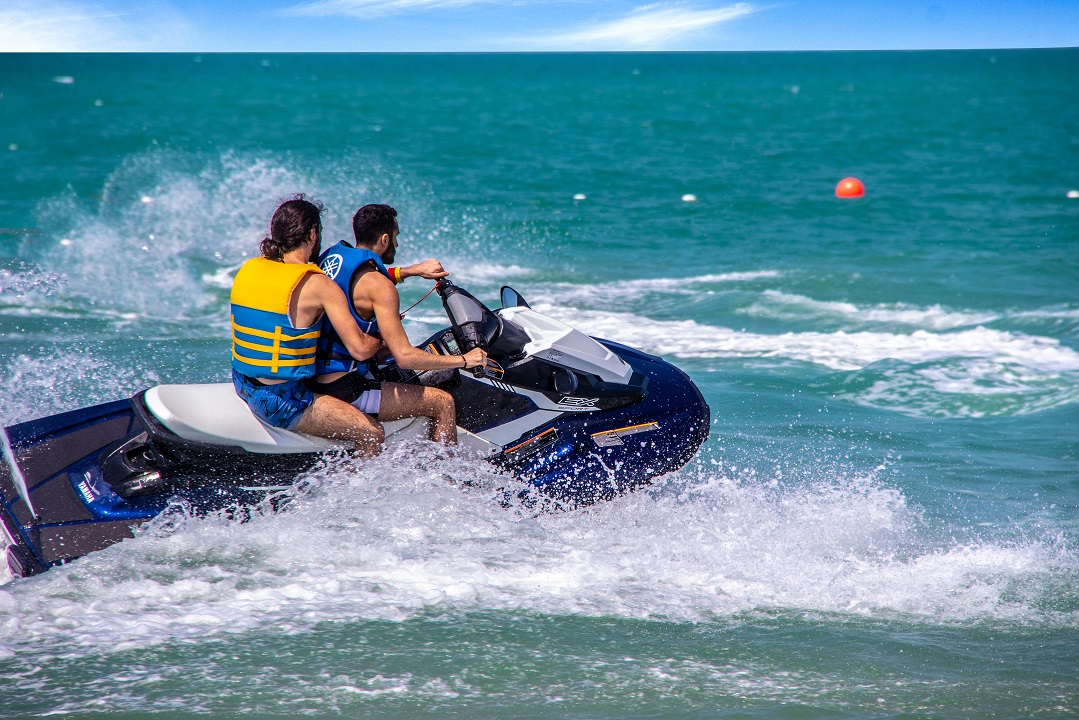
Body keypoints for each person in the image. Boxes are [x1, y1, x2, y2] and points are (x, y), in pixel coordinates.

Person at [309, 203, 486, 444]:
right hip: (344, 388)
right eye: (396, 237)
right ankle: (444, 477)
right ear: (384, 239)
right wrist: (465, 360)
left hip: (315, 374)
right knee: (442, 402)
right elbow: (405, 356)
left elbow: (361, 282)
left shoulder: (333, 257)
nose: (397, 244)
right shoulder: (380, 288)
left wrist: (412, 271)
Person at [230, 196, 385, 456]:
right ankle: (354, 496)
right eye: (320, 231)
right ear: (313, 234)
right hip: (280, 399)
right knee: (371, 433)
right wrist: (380, 339)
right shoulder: (319, 285)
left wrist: (405, 272)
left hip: (242, 380)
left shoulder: (251, 268)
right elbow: (359, 349)